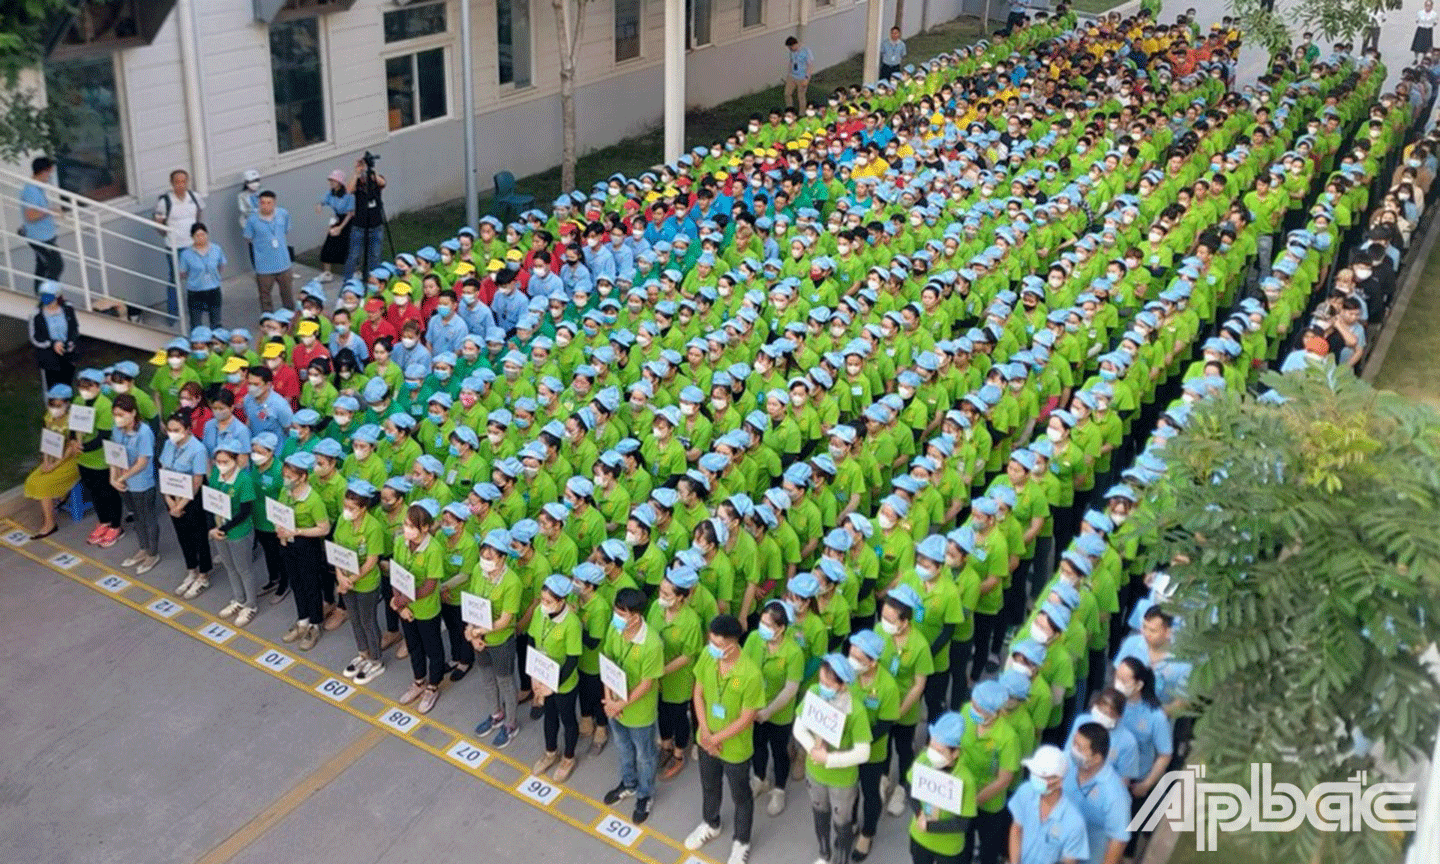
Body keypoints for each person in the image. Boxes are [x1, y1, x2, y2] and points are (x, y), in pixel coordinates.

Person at [685, 613, 764, 864]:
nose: (712, 648)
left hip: (735, 749)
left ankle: (741, 841)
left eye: (718, 644)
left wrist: (716, 737)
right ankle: (711, 823)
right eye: (711, 641)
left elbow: (746, 717)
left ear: (732, 644)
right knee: (709, 786)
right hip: (707, 739)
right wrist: (706, 733)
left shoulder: (751, 674)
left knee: (741, 796)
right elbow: (698, 694)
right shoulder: (708, 657)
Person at [793, 652, 872, 864]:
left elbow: (863, 752)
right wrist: (812, 749)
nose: (822, 686)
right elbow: (799, 727)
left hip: (842, 780)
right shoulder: (814, 693)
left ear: (843, 685)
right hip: (815, 772)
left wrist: (829, 759)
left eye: (828, 683)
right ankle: (824, 854)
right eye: (820, 680)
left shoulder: (856, 710)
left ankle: (841, 860)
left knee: (842, 824)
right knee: (820, 815)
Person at [601, 586, 665, 824]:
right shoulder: (615, 628)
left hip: (638, 712)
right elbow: (607, 660)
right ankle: (628, 783)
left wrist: (620, 704)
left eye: (622, 613)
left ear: (636, 615)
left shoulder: (652, 644)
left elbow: (647, 684)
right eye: (616, 611)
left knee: (645, 756)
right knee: (623, 747)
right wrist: (609, 699)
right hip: (614, 706)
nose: (617, 617)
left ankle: (645, 794)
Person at [467, 528, 524, 747]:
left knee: (505, 682)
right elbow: (471, 604)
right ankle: (496, 714)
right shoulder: (477, 571)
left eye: (490, 558)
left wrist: (478, 631)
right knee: (487, 679)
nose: (485, 561)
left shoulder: (512, 582)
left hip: (500, 641)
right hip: (479, 638)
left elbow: (505, 621)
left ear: (503, 557)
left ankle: (510, 724)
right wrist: (471, 632)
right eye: (483, 556)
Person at [392, 499, 447, 714]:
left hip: (426, 610)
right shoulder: (400, 542)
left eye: (411, 526)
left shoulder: (433, 550)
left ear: (424, 528)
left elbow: (430, 586)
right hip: (407, 608)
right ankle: (418, 681)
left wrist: (405, 599)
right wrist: (398, 602)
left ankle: (433, 686)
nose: (407, 529)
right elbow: (397, 573)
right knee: (413, 645)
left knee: (432, 648)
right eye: (405, 524)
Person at [530, 573, 584, 783]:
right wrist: (534, 675)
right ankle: (550, 752)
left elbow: (572, 659)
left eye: (548, 601)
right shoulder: (539, 612)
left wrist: (554, 684)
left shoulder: (571, 623)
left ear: (561, 601)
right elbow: (533, 640)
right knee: (549, 717)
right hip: (542, 677)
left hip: (563, 682)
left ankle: (568, 758)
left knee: (567, 719)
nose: (543, 605)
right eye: (543, 600)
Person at [276, 451, 332, 651]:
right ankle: (302, 619)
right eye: (285, 476)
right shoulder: (285, 492)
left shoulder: (313, 500)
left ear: (303, 477)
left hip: (307, 545)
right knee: (296, 582)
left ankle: (315, 624)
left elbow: (323, 528)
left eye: (290, 477)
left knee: (310, 585)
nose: (286, 481)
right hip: (286, 542)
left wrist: (298, 531)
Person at [907, 712, 978, 864]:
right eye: (931, 746)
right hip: (920, 837)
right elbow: (910, 787)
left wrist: (931, 826)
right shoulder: (924, 760)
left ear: (955, 752)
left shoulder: (965, 780)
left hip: (948, 848)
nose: (932, 754)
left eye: (940, 751)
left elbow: (963, 823)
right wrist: (919, 813)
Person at [334, 479, 387, 685]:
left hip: (365, 583)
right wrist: (340, 576)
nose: (347, 511)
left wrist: (351, 579)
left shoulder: (373, 528)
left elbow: (372, 561)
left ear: (364, 508)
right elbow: (336, 549)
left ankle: (376, 659)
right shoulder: (342, 520)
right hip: (345, 580)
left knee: (368, 621)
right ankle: (362, 653)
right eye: (345, 506)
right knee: (354, 619)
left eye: (352, 508)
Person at [207, 438, 260, 627]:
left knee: (244, 569)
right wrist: (213, 529)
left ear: (236, 460)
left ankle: (251, 604)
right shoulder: (215, 475)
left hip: (238, 531)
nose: (221, 466)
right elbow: (211, 499)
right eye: (218, 462)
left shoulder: (244, 480)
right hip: (218, 530)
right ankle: (238, 599)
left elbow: (244, 511)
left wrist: (222, 529)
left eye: (225, 462)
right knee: (230, 567)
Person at [160, 412, 213, 599]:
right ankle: (191, 569)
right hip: (172, 497)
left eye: (177, 430)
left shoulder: (197, 449)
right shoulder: (168, 444)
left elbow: (197, 481)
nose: (172, 434)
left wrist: (181, 504)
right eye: (169, 430)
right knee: (182, 535)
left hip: (192, 499)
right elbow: (164, 471)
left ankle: (204, 574)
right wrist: (169, 501)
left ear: (188, 430)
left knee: (199, 536)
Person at [1006, 745, 1088, 864]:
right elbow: (1016, 829)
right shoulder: (1026, 791)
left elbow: (1069, 861)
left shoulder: (1074, 821)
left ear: (1059, 781)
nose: (1034, 778)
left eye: (1041, 776)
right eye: (1034, 774)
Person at [1063, 723, 1132, 864]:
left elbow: (1118, 841)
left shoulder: (1115, 795)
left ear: (1096, 758)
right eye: (1074, 743)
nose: (1073, 750)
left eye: (1080, 748)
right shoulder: (1065, 764)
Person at [109, 394, 160, 573]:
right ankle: (143, 548)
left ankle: (152, 554)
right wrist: (113, 478)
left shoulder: (144, 432)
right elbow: (114, 454)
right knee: (136, 517)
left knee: (147, 517)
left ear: (133, 413)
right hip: (125, 484)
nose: (118, 418)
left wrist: (122, 477)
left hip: (141, 484)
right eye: (115, 414)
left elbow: (142, 462)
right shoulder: (116, 430)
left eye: (121, 414)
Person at [24, 384, 81, 539]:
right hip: (54, 456)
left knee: (44, 484)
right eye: (51, 404)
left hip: (71, 460)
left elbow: (72, 447)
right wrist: (46, 461)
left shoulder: (73, 420)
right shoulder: (48, 417)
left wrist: (55, 465)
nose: (54, 408)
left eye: (58, 405)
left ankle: (50, 523)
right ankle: (58, 500)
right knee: (32, 479)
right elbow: (47, 440)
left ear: (67, 404)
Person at [73, 369, 121, 547]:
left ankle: (116, 525)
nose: (85, 390)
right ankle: (103, 521)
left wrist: (83, 447)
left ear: (98, 386)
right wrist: (73, 441)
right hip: (83, 458)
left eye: (89, 386)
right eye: (81, 386)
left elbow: (104, 436)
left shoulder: (104, 405)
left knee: (108, 492)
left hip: (101, 459)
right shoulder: (78, 401)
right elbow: (73, 425)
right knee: (93, 491)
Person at [154, 168, 205, 318]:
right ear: (172, 183)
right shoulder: (165, 202)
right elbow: (158, 223)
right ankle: (173, 312)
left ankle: (198, 308)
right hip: (175, 247)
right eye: (177, 182)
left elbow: (199, 214)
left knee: (196, 276)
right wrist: (169, 236)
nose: (181, 185)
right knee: (175, 279)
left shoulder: (194, 197)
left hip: (193, 245)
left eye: (184, 181)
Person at [243, 190, 294, 313]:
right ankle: (268, 319)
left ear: (274, 203)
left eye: (269, 203)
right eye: (263, 203)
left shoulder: (283, 214)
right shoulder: (252, 220)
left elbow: (286, 229)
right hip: (264, 265)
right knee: (265, 296)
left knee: (287, 294)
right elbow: (248, 237)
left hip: (283, 263)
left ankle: (289, 318)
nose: (265, 206)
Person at [20, 156, 63, 292]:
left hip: (45, 236)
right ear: (44, 171)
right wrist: (50, 211)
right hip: (39, 238)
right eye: (49, 173)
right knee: (56, 266)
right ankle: (47, 298)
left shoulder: (37, 188)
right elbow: (31, 216)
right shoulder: (31, 190)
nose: (50, 176)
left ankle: (44, 297)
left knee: (43, 267)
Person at [345, 157, 388, 281]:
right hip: (359, 225)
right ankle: (349, 280)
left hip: (376, 225)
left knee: (375, 255)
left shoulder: (375, 179)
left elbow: (383, 183)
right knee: (354, 255)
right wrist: (357, 173)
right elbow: (348, 191)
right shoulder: (357, 182)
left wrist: (370, 171)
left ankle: (372, 280)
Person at [31, 281, 78, 393]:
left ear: (57, 296)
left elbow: (74, 328)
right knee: (52, 387)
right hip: (49, 357)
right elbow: (35, 338)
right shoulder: (36, 314)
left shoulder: (67, 309)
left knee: (68, 384)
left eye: (48, 296)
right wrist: (53, 344)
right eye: (43, 296)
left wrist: (70, 343)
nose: (45, 299)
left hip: (67, 354)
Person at [177, 223, 226, 328]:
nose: (201, 238)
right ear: (192, 237)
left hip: (213, 289)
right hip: (195, 291)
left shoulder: (216, 249)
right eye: (197, 236)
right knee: (196, 323)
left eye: (203, 234)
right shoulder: (186, 254)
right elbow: (183, 273)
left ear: (207, 234)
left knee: (216, 321)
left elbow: (221, 265)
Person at [316, 169, 354, 282]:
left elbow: (350, 214)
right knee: (329, 244)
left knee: (348, 246)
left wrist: (340, 227)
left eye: (334, 180)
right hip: (336, 218)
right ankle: (327, 272)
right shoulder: (330, 192)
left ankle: (353, 271)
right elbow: (323, 201)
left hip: (347, 221)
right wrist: (319, 205)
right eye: (331, 180)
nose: (332, 183)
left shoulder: (348, 195)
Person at [784, 37, 814, 114]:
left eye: (791, 47)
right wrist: (789, 74)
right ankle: (790, 110)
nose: (790, 49)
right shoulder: (791, 52)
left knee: (801, 96)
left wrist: (807, 78)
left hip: (802, 77)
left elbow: (810, 65)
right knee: (787, 93)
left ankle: (802, 113)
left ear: (795, 44)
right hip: (792, 76)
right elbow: (791, 62)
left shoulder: (806, 51)